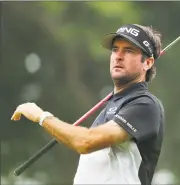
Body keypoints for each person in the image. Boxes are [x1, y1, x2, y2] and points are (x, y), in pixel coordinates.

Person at [11, 23, 165, 185]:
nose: (118, 56)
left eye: (128, 51)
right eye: (115, 49)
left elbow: (85, 142)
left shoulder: (145, 104)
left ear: (147, 63)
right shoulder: (110, 107)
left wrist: (41, 117)